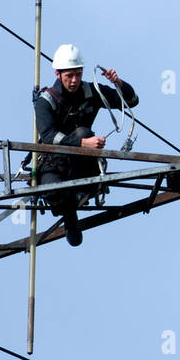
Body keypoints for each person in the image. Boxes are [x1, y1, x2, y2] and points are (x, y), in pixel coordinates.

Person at [33, 43, 139, 246]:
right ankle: (70, 215)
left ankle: (76, 199)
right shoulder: (46, 101)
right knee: (53, 191)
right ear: (58, 73)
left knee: (83, 130)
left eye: (78, 75)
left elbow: (131, 101)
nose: (74, 81)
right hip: (53, 163)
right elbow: (48, 136)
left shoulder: (91, 91)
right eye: (69, 75)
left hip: (82, 167)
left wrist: (119, 83)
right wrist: (82, 143)